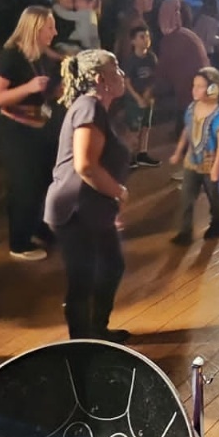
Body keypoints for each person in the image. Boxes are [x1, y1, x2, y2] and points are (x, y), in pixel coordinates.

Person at [44, 49, 133, 342]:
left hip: (92, 208)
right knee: (82, 280)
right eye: (115, 68)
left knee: (112, 265)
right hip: (75, 210)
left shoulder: (95, 109)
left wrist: (111, 204)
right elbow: (86, 166)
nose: (122, 74)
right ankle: (81, 345)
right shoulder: (89, 107)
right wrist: (119, 192)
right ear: (99, 78)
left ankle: (97, 331)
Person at [0, 6, 62, 261]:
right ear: (35, 28)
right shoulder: (11, 55)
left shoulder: (38, 54)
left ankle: (38, 228)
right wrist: (28, 88)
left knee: (43, 181)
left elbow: (43, 90)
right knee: (24, 185)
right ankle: (19, 243)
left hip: (37, 126)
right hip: (15, 130)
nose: (55, 32)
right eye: (50, 27)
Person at [170, 67, 219, 245]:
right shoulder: (191, 108)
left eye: (200, 86)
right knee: (187, 197)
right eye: (193, 85)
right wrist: (178, 152)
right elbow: (187, 130)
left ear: (213, 88)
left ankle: (217, 223)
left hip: (209, 163)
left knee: (213, 196)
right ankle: (185, 231)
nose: (194, 90)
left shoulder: (218, 114)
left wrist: (217, 166)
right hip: (192, 160)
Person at [155, 0, 213, 129]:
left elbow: (163, 73)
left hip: (190, 93)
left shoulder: (170, 40)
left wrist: (151, 89)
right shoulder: (187, 34)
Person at [119, 25, 161, 168]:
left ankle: (142, 153)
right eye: (142, 37)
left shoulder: (151, 57)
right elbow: (127, 82)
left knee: (145, 127)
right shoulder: (131, 60)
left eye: (147, 36)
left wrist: (149, 92)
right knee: (133, 130)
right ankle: (129, 156)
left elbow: (155, 76)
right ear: (133, 41)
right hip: (134, 101)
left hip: (147, 99)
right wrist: (138, 98)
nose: (146, 40)